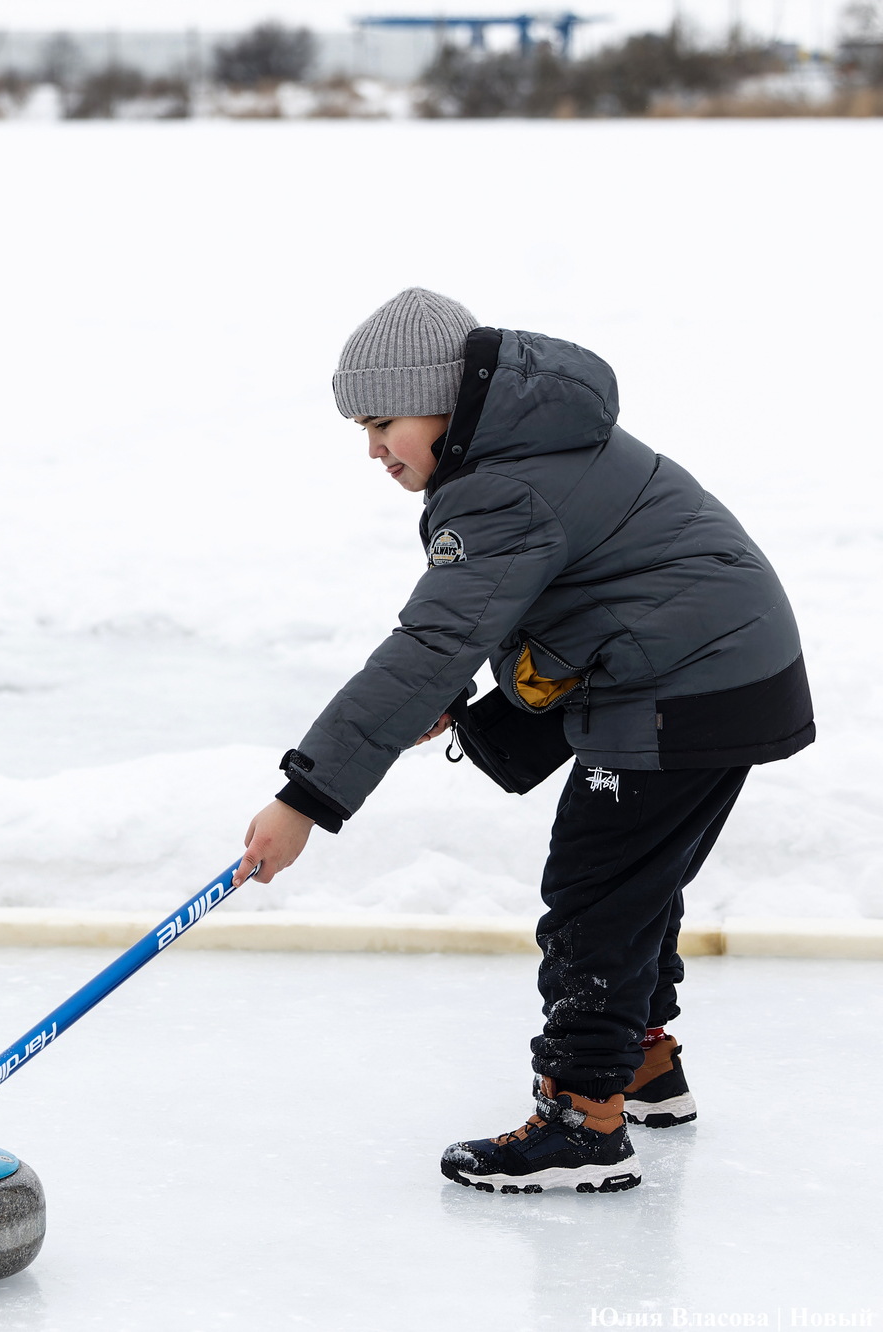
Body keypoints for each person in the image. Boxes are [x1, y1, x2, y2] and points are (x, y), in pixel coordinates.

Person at [233, 288, 813, 1194]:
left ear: (445, 401)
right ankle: (643, 1066)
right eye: (361, 430)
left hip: (686, 685)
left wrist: (307, 797)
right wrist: (476, 712)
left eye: (385, 423)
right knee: (636, 882)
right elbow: (591, 598)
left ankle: (583, 1118)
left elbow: (430, 646)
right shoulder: (535, 442)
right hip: (721, 670)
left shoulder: (502, 487)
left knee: (596, 894)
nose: (375, 451)